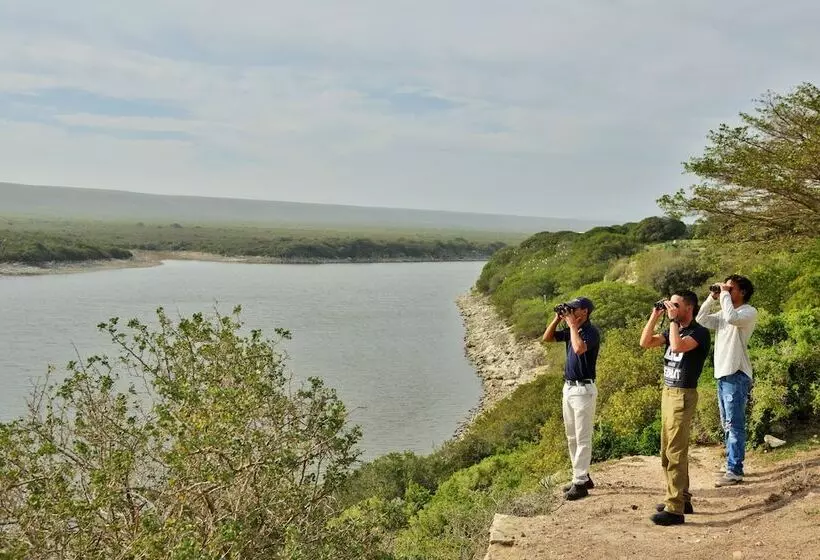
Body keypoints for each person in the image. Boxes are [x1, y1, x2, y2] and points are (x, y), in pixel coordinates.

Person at [640, 290, 710, 525]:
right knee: (666, 450)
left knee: (676, 452)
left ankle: (675, 509)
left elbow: (678, 347)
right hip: (668, 393)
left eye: (676, 304)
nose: (672, 307)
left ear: (688, 308)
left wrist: (671, 321)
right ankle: (683, 498)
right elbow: (645, 342)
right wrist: (655, 314)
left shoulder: (698, 332)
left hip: (683, 394)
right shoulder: (673, 328)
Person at [696, 275, 758, 487]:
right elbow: (701, 319)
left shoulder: (748, 312)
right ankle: (731, 464)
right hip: (723, 373)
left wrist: (723, 295)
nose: (727, 291)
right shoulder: (724, 310)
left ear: (742, 292)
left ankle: (735, 470)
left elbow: (732, 318)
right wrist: (711, 297)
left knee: (735, 424)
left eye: (731, 289)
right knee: (727, 424)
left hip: (737, 372)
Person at [543, 297, 600, 501]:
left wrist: (572, 326)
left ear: (584, 311)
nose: (571, 311)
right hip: (569, 388)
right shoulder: (572, 329)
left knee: (583, 436)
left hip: (584, 389)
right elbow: (547, 338)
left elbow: (578, 348)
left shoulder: (591, 332)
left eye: (574, 309)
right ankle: (582, 477)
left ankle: (580, 483)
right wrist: (557, 319)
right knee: (572, 436)